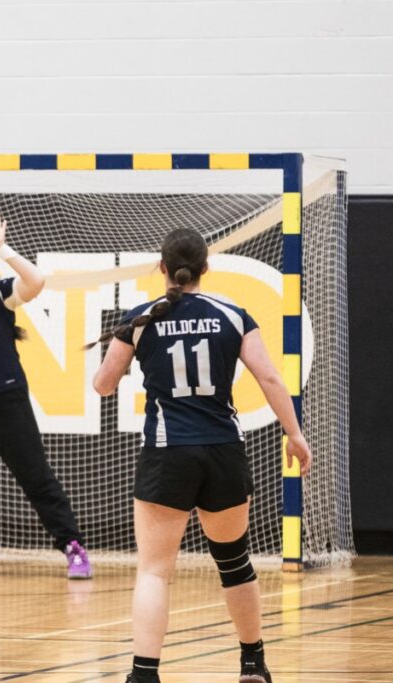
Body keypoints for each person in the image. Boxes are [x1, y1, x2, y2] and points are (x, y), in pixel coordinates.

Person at [91, 228, 311, 683]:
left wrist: (124, 353)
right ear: (205, 268)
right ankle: (253, 663)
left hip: (167, 453)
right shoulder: (233, 315)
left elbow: (103, 384)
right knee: (234, 561)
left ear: (162, 267)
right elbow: (270, 378)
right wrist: (295, 434)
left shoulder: (141, 319)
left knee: (154, 571)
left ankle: (144, 675)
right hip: (222, 451)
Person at [0, 212, 91, 579]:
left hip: (5, 401)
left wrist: (1, 249)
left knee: (36, 477)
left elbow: (35, 281)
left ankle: (73, 547)